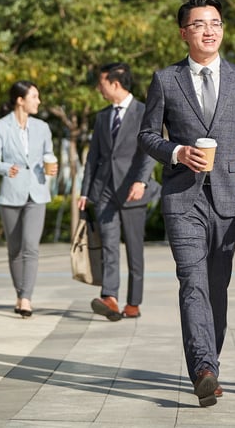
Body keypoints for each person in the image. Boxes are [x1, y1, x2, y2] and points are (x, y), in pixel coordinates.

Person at [139, 0, 235, 407]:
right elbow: (146, 136)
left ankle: (209, 362)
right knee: (192, 282)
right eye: (199, 24)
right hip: (182, 198)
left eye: (215, 23)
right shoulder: (166, 80)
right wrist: (177, 152)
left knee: (217, 287)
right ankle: (203, 369)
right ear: (184, 33)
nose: (209, 30)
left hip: (229, 198)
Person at [78, 62, 160, 321]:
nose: (98, 88)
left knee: (134, 250)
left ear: (115, 83)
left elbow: (150, 151)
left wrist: (142, 181)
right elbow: (93, 157)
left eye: (101, 83)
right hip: (104, 192)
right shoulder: (102, 117)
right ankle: (110, 298)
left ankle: (133, 302)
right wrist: (85, 191)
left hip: (132, 191)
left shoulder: (144, 112)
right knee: (109, 248)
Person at [0, 80, 58, 319]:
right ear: (20, 100)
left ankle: (26, 297)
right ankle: (20, 294)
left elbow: (49, 154)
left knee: (30, 246)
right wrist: (6, 168)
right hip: (11, 194)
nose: (38, 101)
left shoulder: (43, 127)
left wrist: (51, 168)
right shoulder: (1, 127)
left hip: (37, 192)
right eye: (34, 96)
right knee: (14, 249)